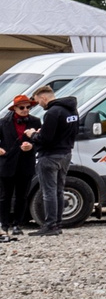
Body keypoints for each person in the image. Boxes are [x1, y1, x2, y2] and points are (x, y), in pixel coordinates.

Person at [28, 83, 76, 237]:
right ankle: (58, 223)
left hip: (50, 156)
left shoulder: (52, 112)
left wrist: (32, 134)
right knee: (59, 190)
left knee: (48, 192)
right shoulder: (71, 110)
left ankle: (50, 225)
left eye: (38, 101)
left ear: (43, 97)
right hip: (66, 153)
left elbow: (45, 139)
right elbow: (71, 131)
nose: (39, 105)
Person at [0, 92, 31, 240]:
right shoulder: (3, 122)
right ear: (15, 109)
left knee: (22, 196)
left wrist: (31, 146)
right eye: (22, 108)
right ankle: (4, 225)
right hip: (7, 163)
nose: (25, 110)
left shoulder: (35, 121)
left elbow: (41, 140)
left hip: (26, 163)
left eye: (28, 107)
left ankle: (17, 224)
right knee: (4, 196)